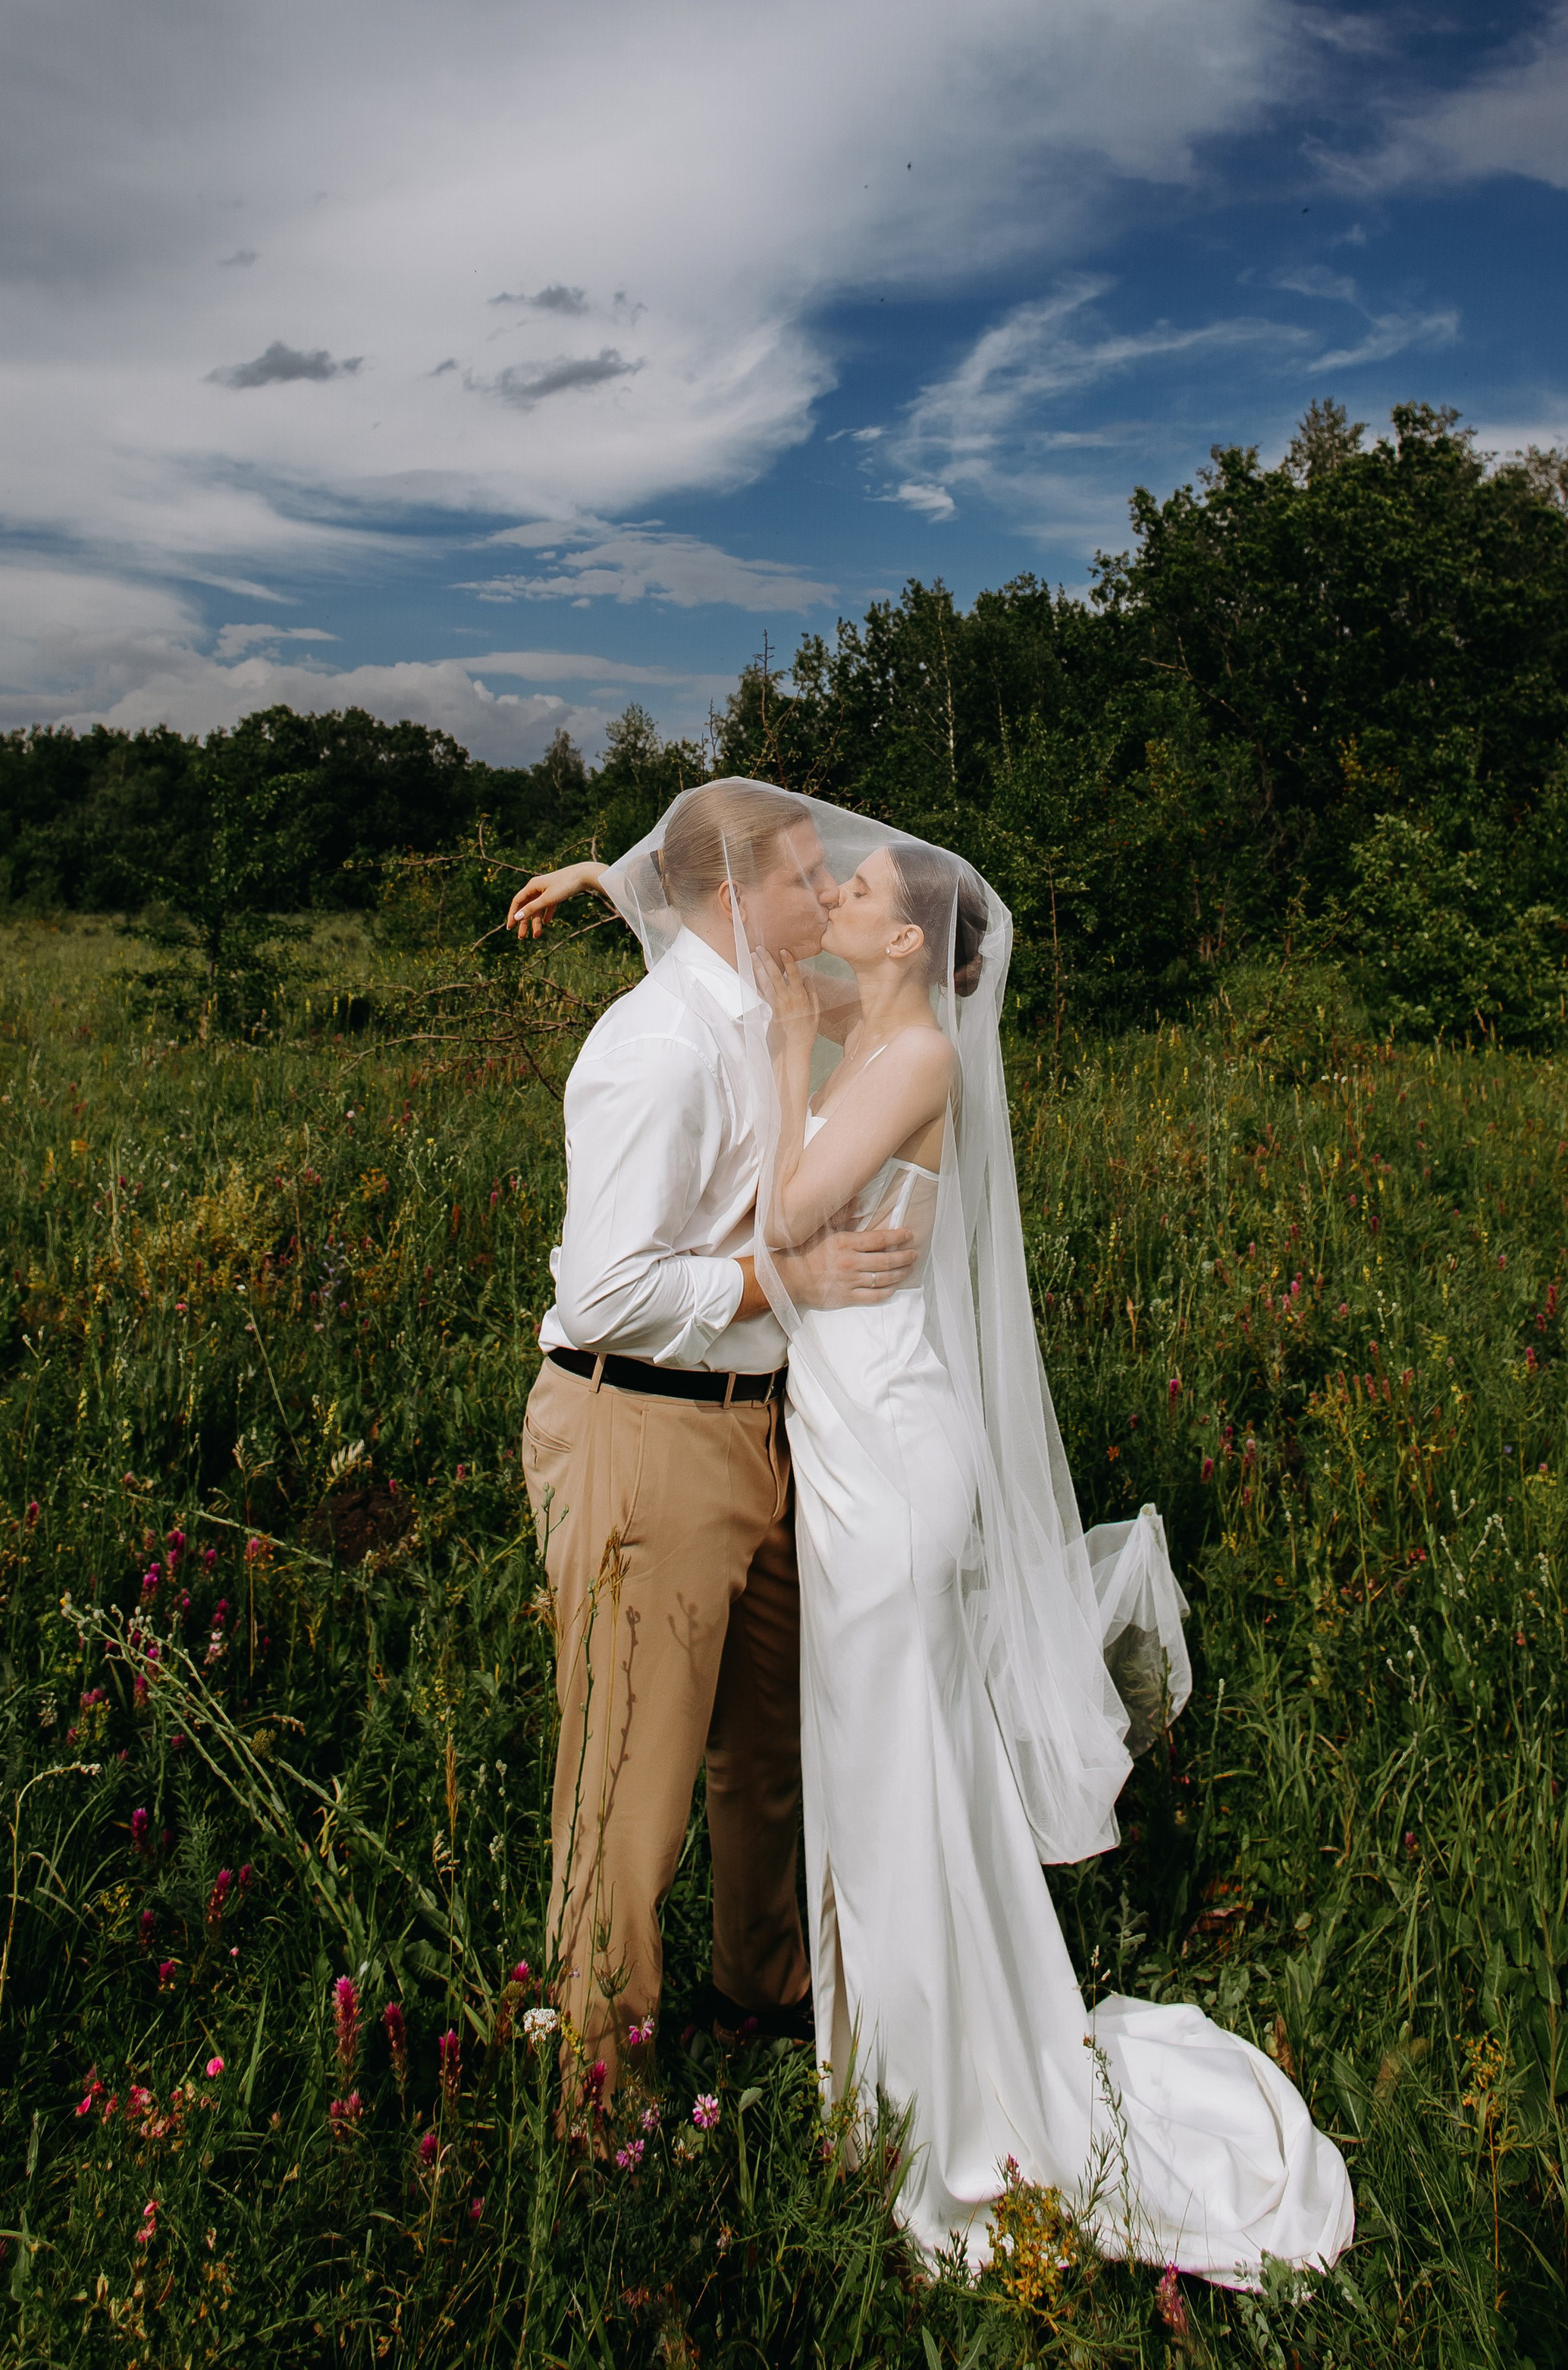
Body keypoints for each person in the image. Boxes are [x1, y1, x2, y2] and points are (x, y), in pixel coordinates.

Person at [585, 783, 1356, 2287]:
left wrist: (781, 1090)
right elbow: (720, 937)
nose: (833, 894)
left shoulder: (917, 1053)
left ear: (904, 941)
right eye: (828, 883)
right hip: (847, 1444)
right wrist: (609, 880)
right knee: (874, 1770)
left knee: (899, 1773)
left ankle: (949, 2106)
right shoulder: (852, 1014)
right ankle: (888, 2078)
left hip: (889, 1459)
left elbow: (787, 1208)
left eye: (859, 889)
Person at [504, 783, 917, 2108]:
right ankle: (602, 2084)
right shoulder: (659, 1048)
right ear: (737, 899)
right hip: (643, 1425)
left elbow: (680, 889)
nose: (828, 891)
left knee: (763, 1747)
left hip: (758, 1431)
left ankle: (765, 1992)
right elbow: (607, 1293)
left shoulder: (766, 998)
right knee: (631, 1772)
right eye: (804, 877)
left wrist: (600, 876)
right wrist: (781, 1277)